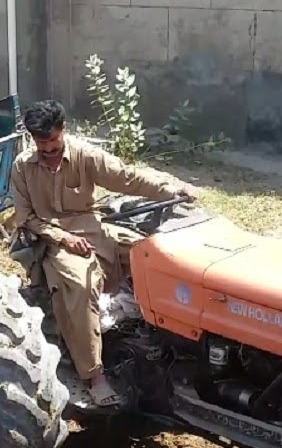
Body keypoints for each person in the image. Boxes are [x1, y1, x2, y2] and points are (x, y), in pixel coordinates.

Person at [10, 99, 197, 408]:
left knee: (151, 256)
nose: (47, 149)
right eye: (41, 143)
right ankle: (93, 375)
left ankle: (166, 341)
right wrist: (63, 238)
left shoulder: (85, 156)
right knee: (80, 287)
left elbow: (127, 177)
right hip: (54, 239)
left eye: (53, 141)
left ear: (63, 131)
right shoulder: (22, 167)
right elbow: (26, 218)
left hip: (95, 229)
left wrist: (170, 189)